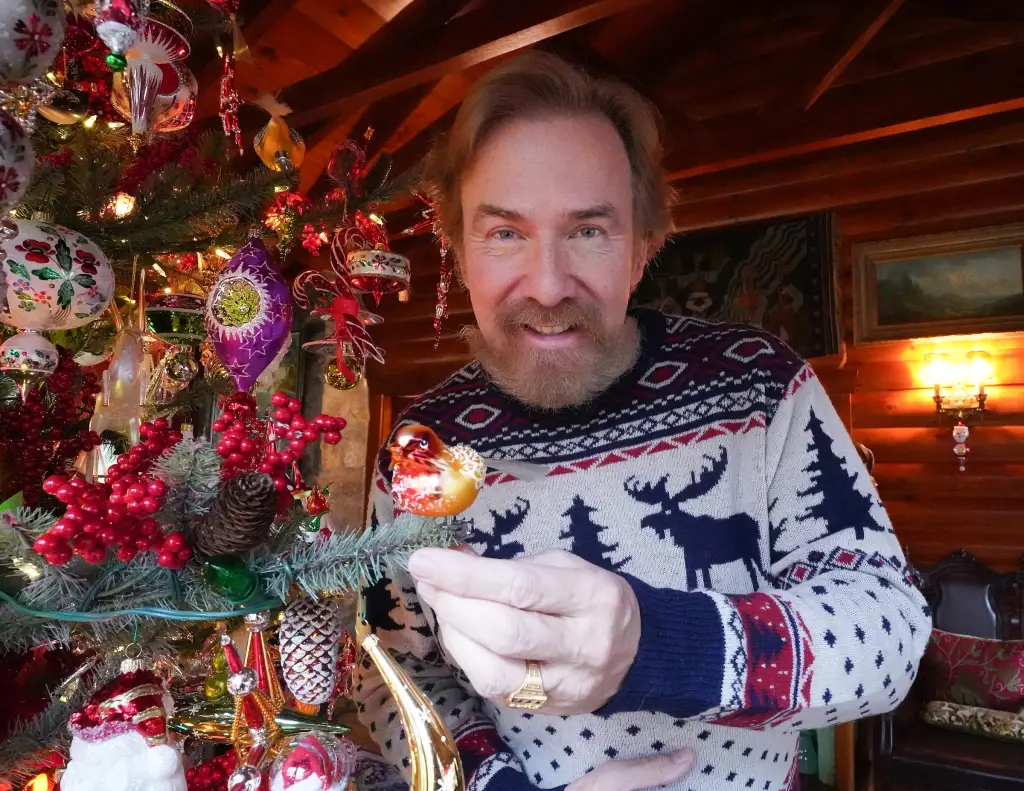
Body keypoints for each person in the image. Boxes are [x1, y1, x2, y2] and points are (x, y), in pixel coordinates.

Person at [353, 52, 930, 791]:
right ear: (459, 250)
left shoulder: (758, 384)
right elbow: (392, 668)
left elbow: (890, 630)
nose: (550, 283)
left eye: (589, 231)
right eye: (504, 233)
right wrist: (498, 785)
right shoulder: (421, 450)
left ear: (643, 245)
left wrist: (659, 645)